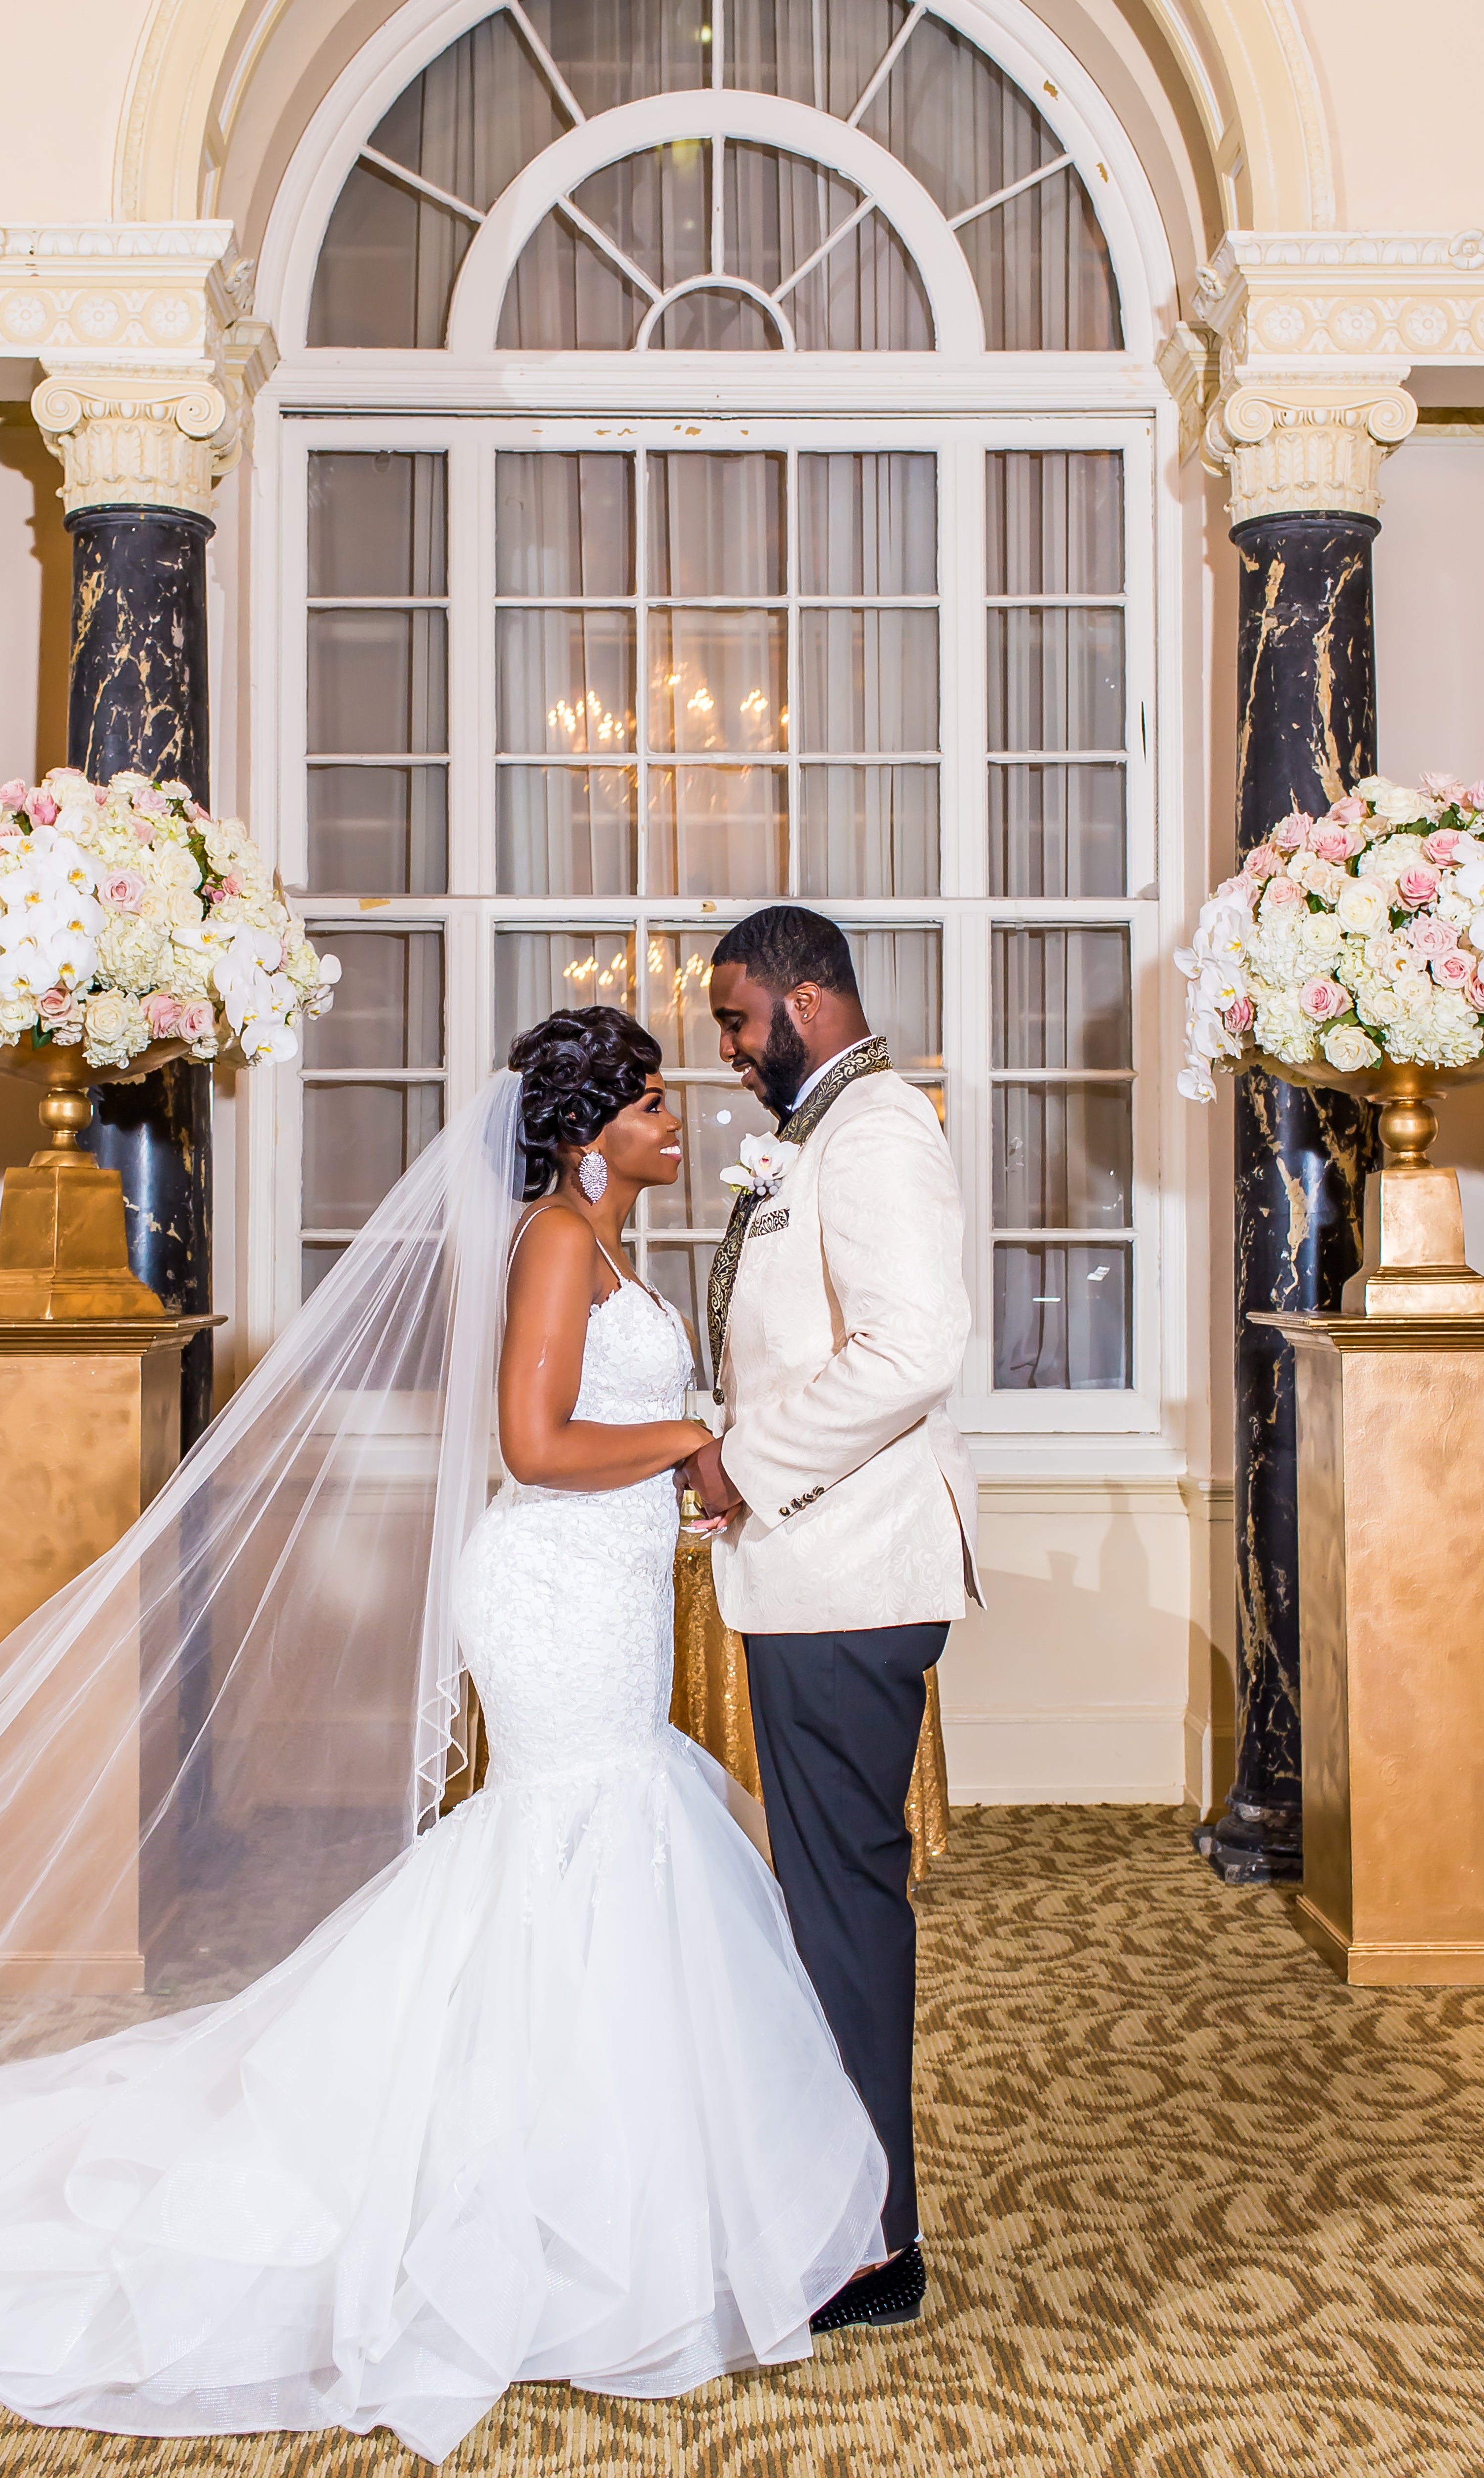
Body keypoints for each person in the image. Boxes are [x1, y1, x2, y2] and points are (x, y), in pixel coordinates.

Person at [0, 1010, 886, 2459]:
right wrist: (693, 1442)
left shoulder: (611, 1246)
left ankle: (585, 2187)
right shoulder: (559, 1244)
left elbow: (593, 1430)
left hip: (607, 1587)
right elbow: (535, 1444)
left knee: (603, 1848)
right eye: (647, 1102)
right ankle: (520, 2207)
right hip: (555, 1596)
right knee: (577, 1840)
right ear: (583, 1133)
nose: (673, 1120)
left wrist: (684, 1454)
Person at [681, 907, 979, 2334]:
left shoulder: (878, 1130)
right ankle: (846, 2211)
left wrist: (744, 1464)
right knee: (825, 1896)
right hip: (816, 1572)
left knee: (847, 1901)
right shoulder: (819, 1132)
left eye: (738, 1022)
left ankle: (873, 2243)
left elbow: (914, 1349)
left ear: (807, 1000)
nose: (728, 1053)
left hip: (852, 1577)